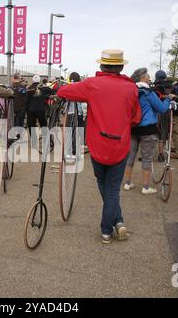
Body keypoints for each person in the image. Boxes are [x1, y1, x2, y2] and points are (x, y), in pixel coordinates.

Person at [57, 49, 141, 245]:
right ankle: (117, 221)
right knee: (112, 188)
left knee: (103, 184)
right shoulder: (131, 88)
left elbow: (62, 92)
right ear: (121, 67)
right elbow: (136, 118)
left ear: (102, 66)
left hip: (98, 145)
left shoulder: (93, 85)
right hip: (120, 145)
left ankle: (107, 229)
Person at [124, 68, 177, 195]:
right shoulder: (148, 93)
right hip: (148, 129)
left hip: (132, 128)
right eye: (147, 76)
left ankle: (127, 183)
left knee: (130, 157)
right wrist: (168, 99)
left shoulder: (130, 92)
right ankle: (146, 187)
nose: (149, 78)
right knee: (147, 159)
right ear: (142, 78)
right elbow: (162, 108)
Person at [153, 70, 174, 162]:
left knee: (157, 132)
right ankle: (162, 153)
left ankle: (159, 154)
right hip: (167, 111)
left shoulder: (156, 87)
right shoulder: (170, 86)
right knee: (164, 132)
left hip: (157, 111)